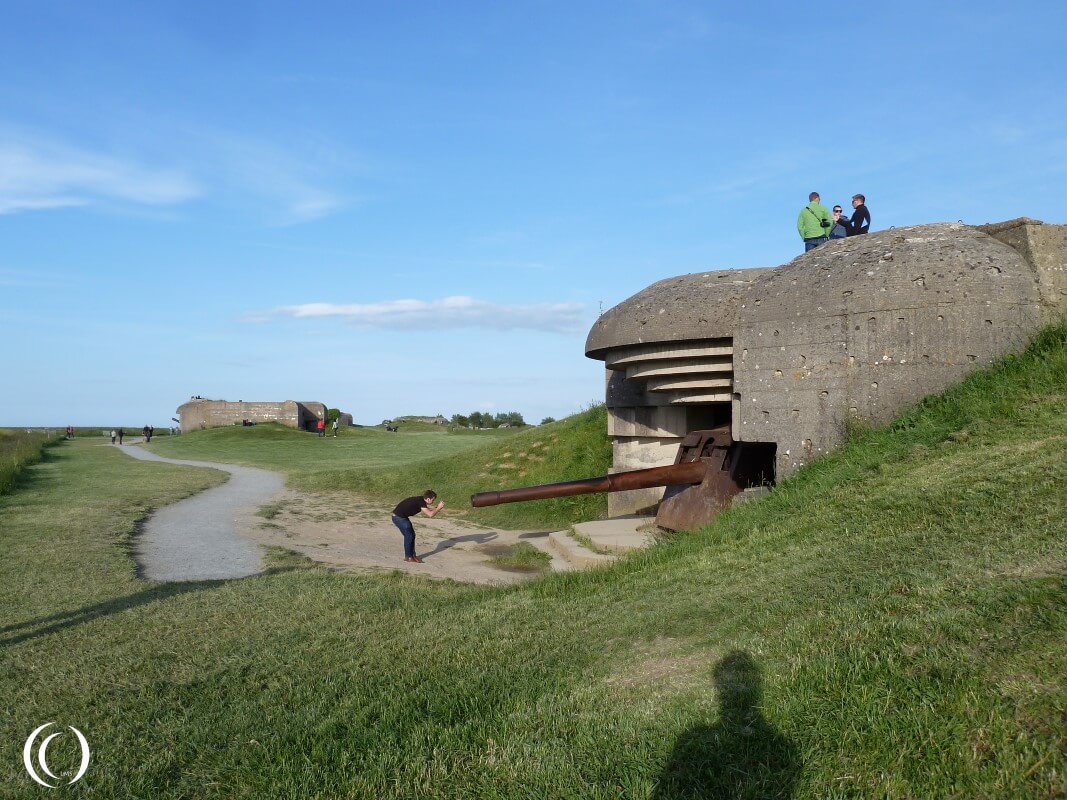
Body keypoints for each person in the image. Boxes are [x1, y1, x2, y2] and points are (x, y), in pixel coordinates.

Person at [391, 490, 445, 563]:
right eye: (433, 500)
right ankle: (409, 557)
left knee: (411, 535)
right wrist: (439, 508)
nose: (433, 502)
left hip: (400, 517)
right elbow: (430, 514)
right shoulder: (421, 502)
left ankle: (412, 556)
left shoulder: (421, 500)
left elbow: (427, 510)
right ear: (428, 499)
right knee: (409, 536)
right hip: (399, 518)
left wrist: (436, 508)